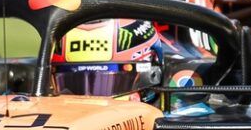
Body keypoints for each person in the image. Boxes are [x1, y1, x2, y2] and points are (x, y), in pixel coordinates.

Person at [50, 17, 218, 118]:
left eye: (110, 84)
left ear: (151, 77)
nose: (90, 100)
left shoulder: (189, 110)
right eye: (74, 85)